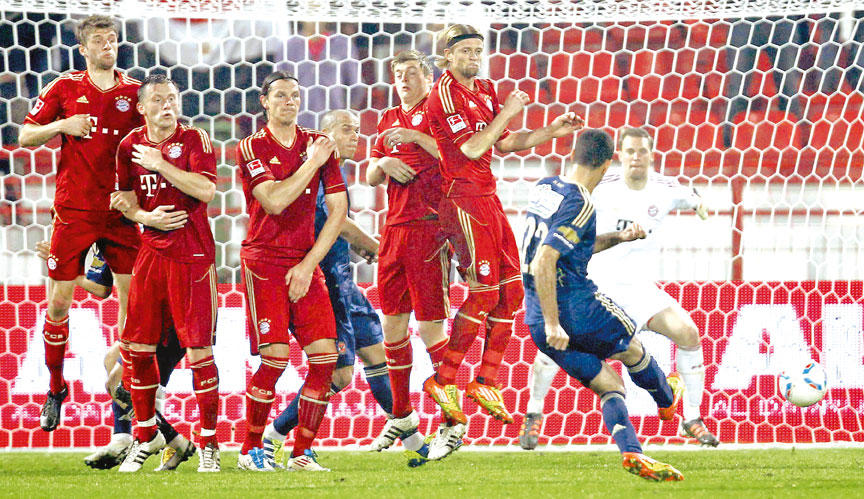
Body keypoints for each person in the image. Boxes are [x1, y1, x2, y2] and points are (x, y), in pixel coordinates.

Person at [422, 24, 583, 437]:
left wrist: (551, 131)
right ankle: (443, 380)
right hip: (461, 200)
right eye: (465, 51)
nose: (474, 57)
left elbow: (504, 144)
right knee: (483, 291)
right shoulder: (444, 93)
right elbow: (472, 147)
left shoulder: (486, 89)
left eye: (478, 50)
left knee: (511, 291)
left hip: (487, 198)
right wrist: (508, 112)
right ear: (447, 56)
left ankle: (485, 381)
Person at [519, 127, 719, 450]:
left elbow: (691, 194)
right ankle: (534, 412)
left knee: (689, 333)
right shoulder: (597, 187)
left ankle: (692, 418)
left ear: (651, 155)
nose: (636, 157)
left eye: (642, 151)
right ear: (617, 158)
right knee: (555, 348)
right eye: (630, 151)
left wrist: (699, 204)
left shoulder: (665, 188)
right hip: (599, 286)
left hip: (642, 289)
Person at [18, 15, 143, 433]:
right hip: (74, 210)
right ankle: (56, 388)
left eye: (113, 39)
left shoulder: (135, 92)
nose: (108, 45)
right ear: (83, 49)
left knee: (132, 301)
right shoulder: (64, 87)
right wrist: (62, 125)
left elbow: (151, 143)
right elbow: (25, 135)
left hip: (120, 211)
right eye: (99, 40)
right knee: (58, 303)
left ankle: (128, 386)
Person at [260, 109, 396, 467]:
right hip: (326, 283)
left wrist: (360, 247)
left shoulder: (337, 174)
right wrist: (376, 247)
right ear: (324, 135)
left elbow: (335, 226)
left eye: (357, 130)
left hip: (345, 281)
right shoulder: (317, 173)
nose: (355, 136)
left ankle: (402, 424)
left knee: (376, 353)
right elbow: (338, 222)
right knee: (339, 373)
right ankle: (274, 436)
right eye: (346, 129)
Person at [235, 71, 347, 472]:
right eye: (280, 95)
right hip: (263, 262)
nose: (289, 101)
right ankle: (250, 449)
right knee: (275, 360)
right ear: (265, 102)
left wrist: (308, 264)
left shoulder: (318, 142)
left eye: (295, 95)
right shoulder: (251, 146)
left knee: (325, 359)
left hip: (304, 262)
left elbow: (339, 210)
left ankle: (301, 452)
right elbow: (274, 201)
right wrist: (312, 163)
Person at [110, 74, 221, 472]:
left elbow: (206, 191)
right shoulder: (128, 146)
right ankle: (145, 437)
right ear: (142, 107)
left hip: (193, 257)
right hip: (151, 256)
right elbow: (123, 199)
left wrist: (160, 164)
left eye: (172, 98)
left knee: (199, 352)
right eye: (157, 99)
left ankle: (209, 443)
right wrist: (145, 217)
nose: (167, 105)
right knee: (137, 349)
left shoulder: (195, 140)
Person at [364, 50, 452, 465]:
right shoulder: (387, 119)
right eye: (398, 73)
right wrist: (383, 160)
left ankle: (452, 420)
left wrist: (416, 138)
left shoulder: (439, 113)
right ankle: (401, 414)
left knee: (431, 328)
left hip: (429, 229)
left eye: (411, 72)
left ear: (428, 77)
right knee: (392, 325)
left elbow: (459, 157)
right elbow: (370, 176)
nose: (403, 79)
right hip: (394, 230)